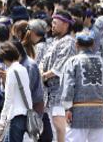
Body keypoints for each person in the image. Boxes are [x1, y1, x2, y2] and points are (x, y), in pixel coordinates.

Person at [59, 30, 103, 142]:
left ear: (76, 44)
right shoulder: (102, 62)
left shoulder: (73, 61)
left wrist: (67, 108)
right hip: (98, 110)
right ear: (93, 44)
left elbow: (69, 86)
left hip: (78, 111)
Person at [40, 11, 77, 142]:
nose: (52, 26)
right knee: (51, 129)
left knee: (60, 128)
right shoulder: (54, 41)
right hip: (48, 92)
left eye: (55, 23)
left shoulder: (69, 42)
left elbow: (59, 69)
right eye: (52, 23)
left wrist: (43, 76)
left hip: (60, 91)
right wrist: (41, 72)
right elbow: (43, 61)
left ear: (66, 25)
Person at [0, 42, 32, 142]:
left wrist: (2, 120)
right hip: (25, 114)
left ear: (4, 59)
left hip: (15, 116)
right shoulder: (22, 69)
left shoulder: (10, 72)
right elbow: (27, 93)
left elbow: (8, 98)